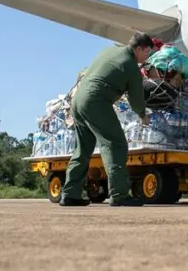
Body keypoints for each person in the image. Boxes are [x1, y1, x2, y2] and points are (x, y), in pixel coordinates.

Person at [60, 32, 154, 207]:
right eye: (147, 52)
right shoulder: (131, 66)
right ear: (139, 48)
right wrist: (143, 115)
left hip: (78, 101)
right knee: (115, 143)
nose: (147, 56)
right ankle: (119, 195)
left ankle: (70, 194)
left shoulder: (108, 51)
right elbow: (136, 98)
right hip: (96, 102)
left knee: (82, 149)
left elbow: (85, 72)